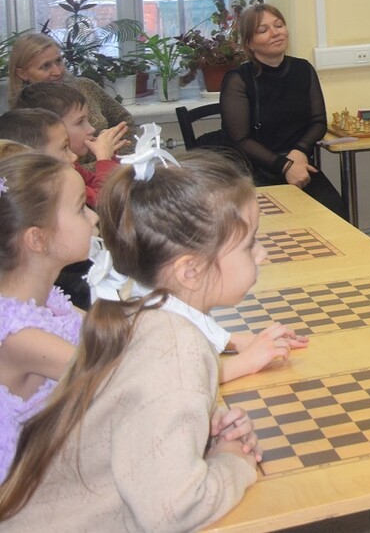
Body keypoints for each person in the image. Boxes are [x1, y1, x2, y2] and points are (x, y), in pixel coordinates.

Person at [0, 151, 263, 528]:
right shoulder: (176, 345)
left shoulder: (138, 316)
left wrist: (201, 426)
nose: (262, 254)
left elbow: (135, 407)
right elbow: (174, 511)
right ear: (190, 270)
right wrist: (235, 463)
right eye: (250, 244)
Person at [0, 152, 91, 478]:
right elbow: (120, 377)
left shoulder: (47, 300)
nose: (93, 218)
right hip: (24, 492)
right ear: (37, 239)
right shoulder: (18, 335)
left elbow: (117, 335)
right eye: (81, 209)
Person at [219, 2, 346, 217]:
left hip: (299, 163)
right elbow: (240, 140)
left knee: (336, 215)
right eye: (263, 30)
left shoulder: (303, 69)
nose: (275, 33)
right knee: (278, 225)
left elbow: (318, 121)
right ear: (249, 43)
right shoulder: (238, 80)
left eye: (279, 25)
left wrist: (299, 151)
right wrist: (285, 166)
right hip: (255, 171)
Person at [15, 82, 128, 207]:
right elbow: (107, 203)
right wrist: (104, 159)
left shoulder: (71, 164)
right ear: (55, 128)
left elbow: (107, 185)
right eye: (80, 122)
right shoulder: (57, 178)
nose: (91, 129)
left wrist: (110, 154)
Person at [5, 31, 132, 134]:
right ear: (22, 74)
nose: (57, 71)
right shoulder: (22, 118)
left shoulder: (86, 87)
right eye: (45, 66)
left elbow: (125, 120)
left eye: (58, 61)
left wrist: (120, 154)